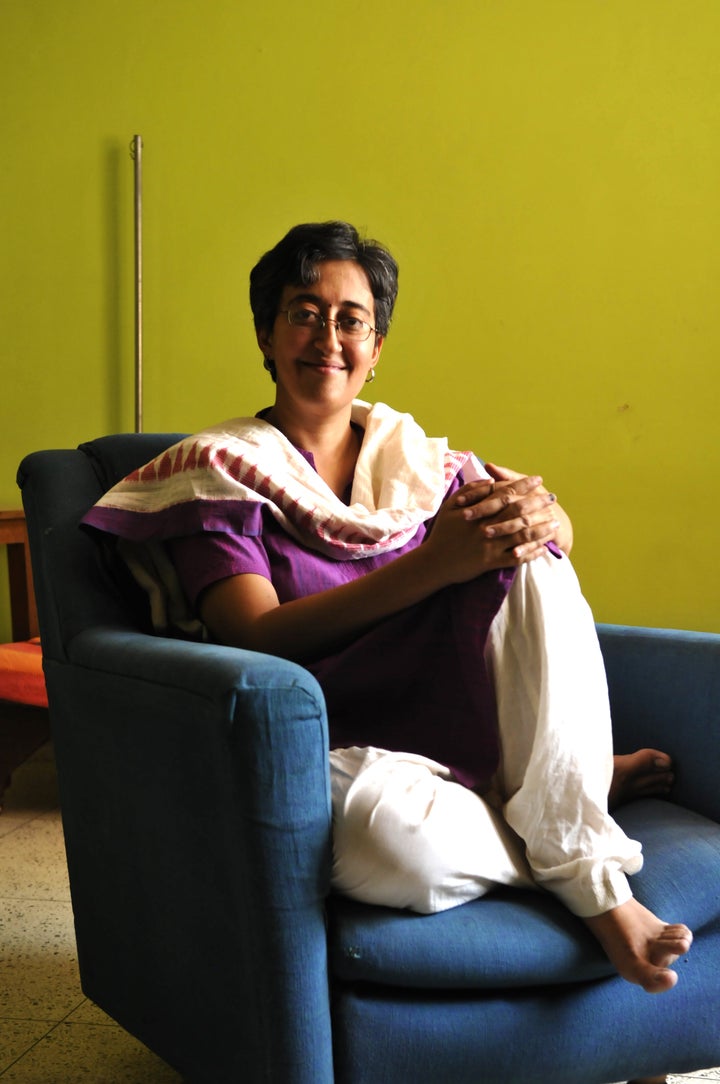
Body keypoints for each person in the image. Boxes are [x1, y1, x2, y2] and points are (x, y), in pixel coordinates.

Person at [83, 221, 691, 1009]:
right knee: (392, 846)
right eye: (304, 312)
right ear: (267, 334)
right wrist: (437, 564)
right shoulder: (222, 471)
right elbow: (257, 637)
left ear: (376, 347)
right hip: (332, 743)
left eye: (351, 318)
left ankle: (590, 873)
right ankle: (564, 799)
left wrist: (547, 516)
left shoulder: (415, 460)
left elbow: (556, 543)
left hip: (453, 721)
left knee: (529, 554)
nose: (327, 336)